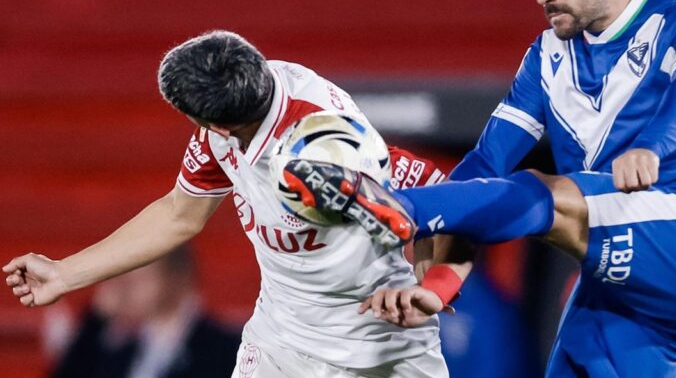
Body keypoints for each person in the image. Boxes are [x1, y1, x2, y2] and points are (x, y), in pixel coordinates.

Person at [283, 0, 676, 376]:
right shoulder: (546, 57)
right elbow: (486, 166)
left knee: (540, 191)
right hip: (616, 283)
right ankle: (406, 213)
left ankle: (397, 206)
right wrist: (438, 286)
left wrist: (652, 146)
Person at [3, 30, 450, 377]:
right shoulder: (234, 118)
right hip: (280, 343)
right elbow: (179, 214)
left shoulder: (325, 144)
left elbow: (438, 195)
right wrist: (64, 273)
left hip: (378, 349)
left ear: (214, 124)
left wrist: (432, 286)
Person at [50, 246, 241, 378]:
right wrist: (96, 318)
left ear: (175, 278)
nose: (125, 288)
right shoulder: (117, 346)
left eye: (140, 278)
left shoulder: (224, 350)